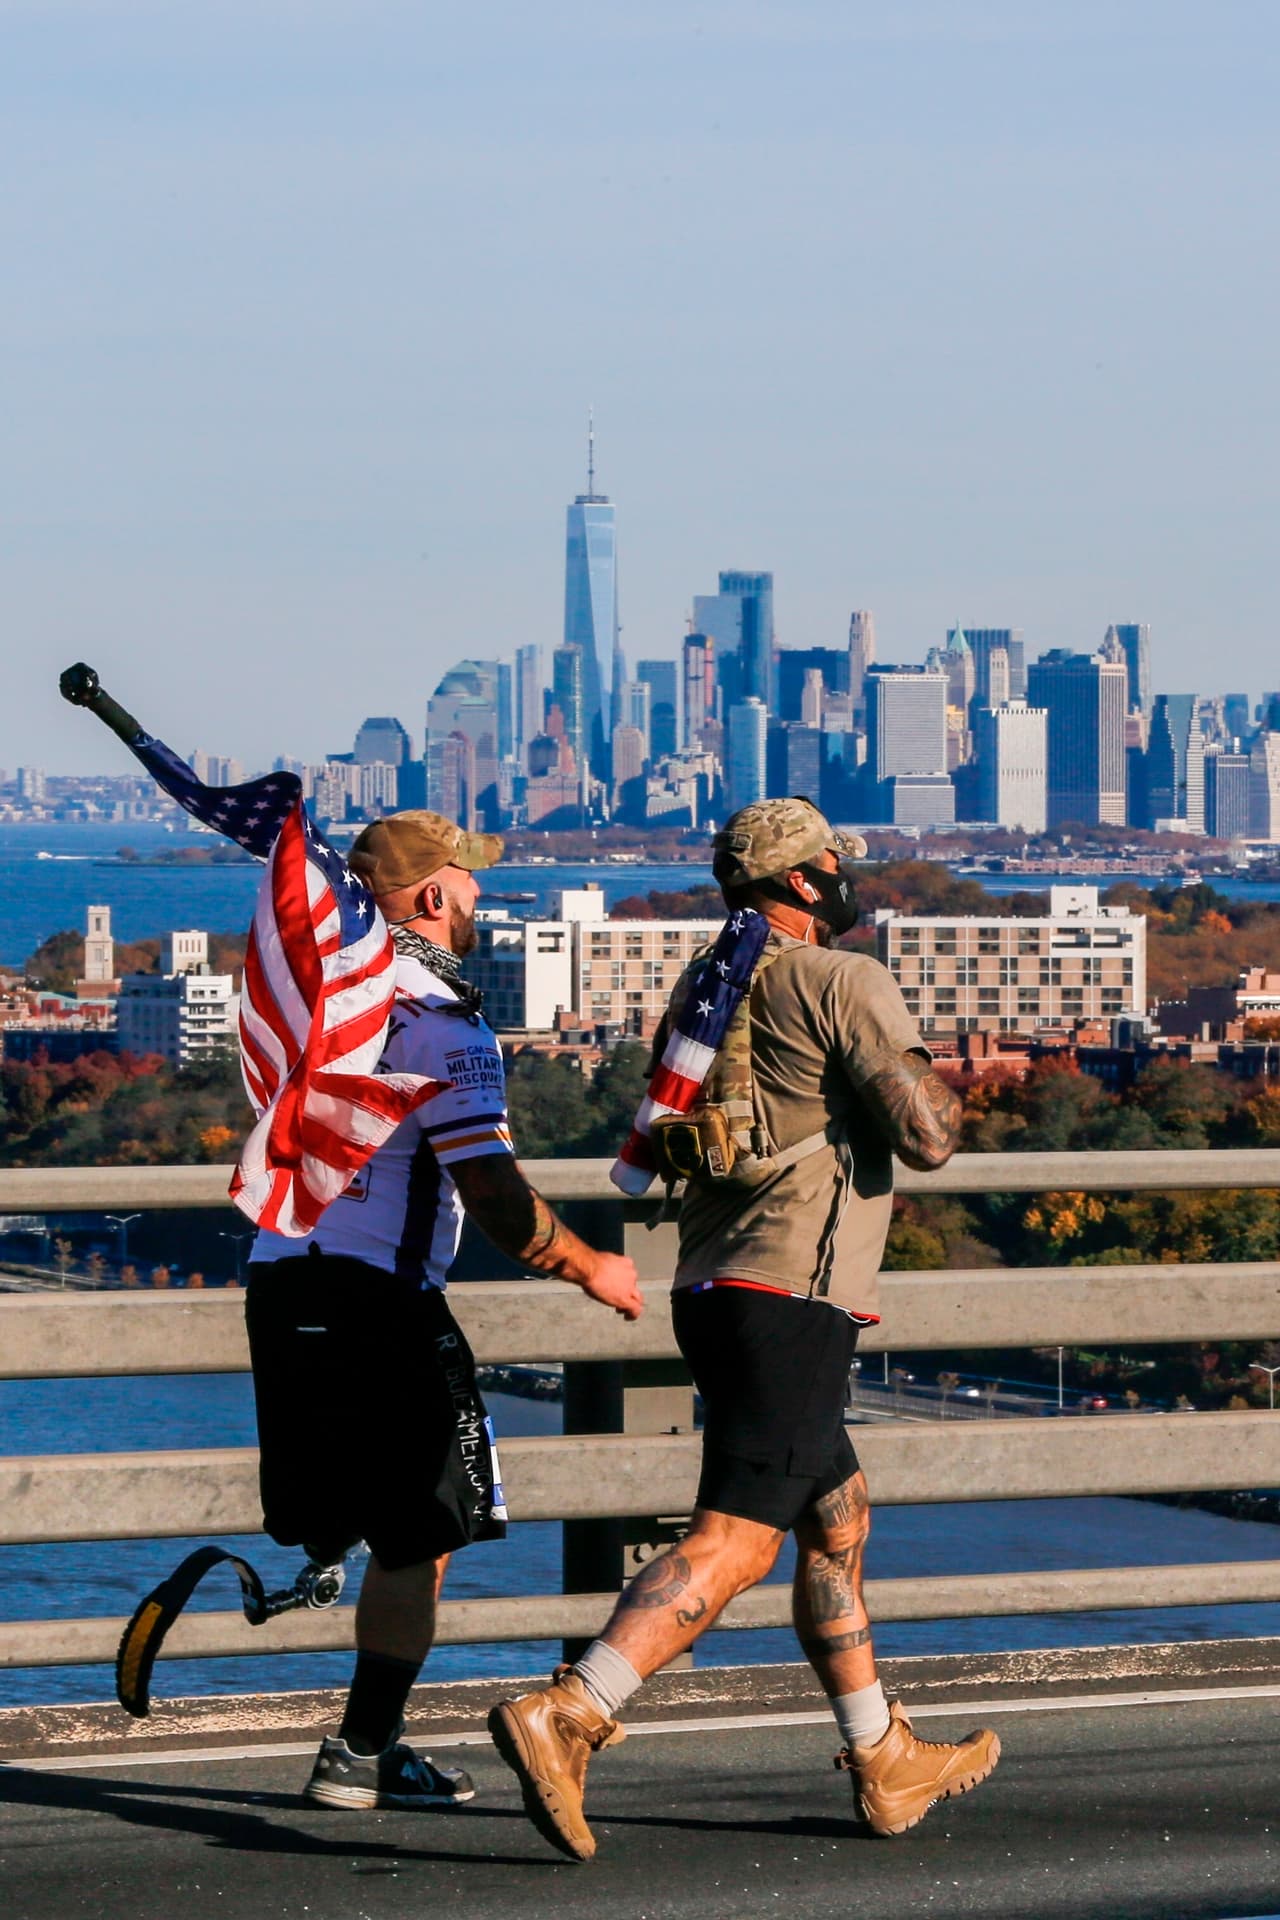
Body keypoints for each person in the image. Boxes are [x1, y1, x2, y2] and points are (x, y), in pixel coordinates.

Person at [488, 796, 1000, 1859]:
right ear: (804, 881)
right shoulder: (841, 979)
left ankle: (882, 1758)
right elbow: (927, 1136)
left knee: (836, 1519)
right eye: (833, 865)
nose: (846, 878)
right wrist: (954, 1081)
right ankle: (575, 1709)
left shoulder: (709, 984)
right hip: (792, 1298)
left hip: (712, 1290)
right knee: (732, 1540)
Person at [245, 810, 643, 1811]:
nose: (479, 897)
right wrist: (588, 1263)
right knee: (426, 1533)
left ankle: (365, 1732)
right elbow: (495, 1192)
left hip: (279, 1278)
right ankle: (360, 1754)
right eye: (469, 882)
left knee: (351, 1519)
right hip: (380, 1298)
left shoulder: (323, 994)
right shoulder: (440, 1016)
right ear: (431, 894)